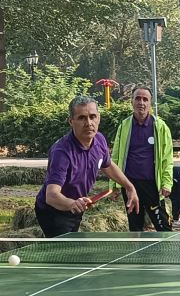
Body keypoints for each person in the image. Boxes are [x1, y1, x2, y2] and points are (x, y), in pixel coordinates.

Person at [34, 97, 140, 238]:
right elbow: (51, 196)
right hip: (53, 211)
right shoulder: (61, 152)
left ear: (98, 118)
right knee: (64, 249)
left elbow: (107, 165)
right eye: (82, 118)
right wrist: (72, 204)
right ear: (71, 121)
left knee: (73, 243)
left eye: (92, 117)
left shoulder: (99, 140)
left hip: (76, 206)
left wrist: (129, 187)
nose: (89, 123)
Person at [110, 87, 174, 231]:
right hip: (130, 185)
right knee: (135, 228)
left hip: (152, 186)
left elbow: (167, 159)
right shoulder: (124, 126)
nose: (141, 102)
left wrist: (166, 183)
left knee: (163, 227)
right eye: (138, 98)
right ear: (132, 101)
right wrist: (114, 184)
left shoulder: (160, 127)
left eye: (145, 99)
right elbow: (116, 157)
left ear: (150, 103)